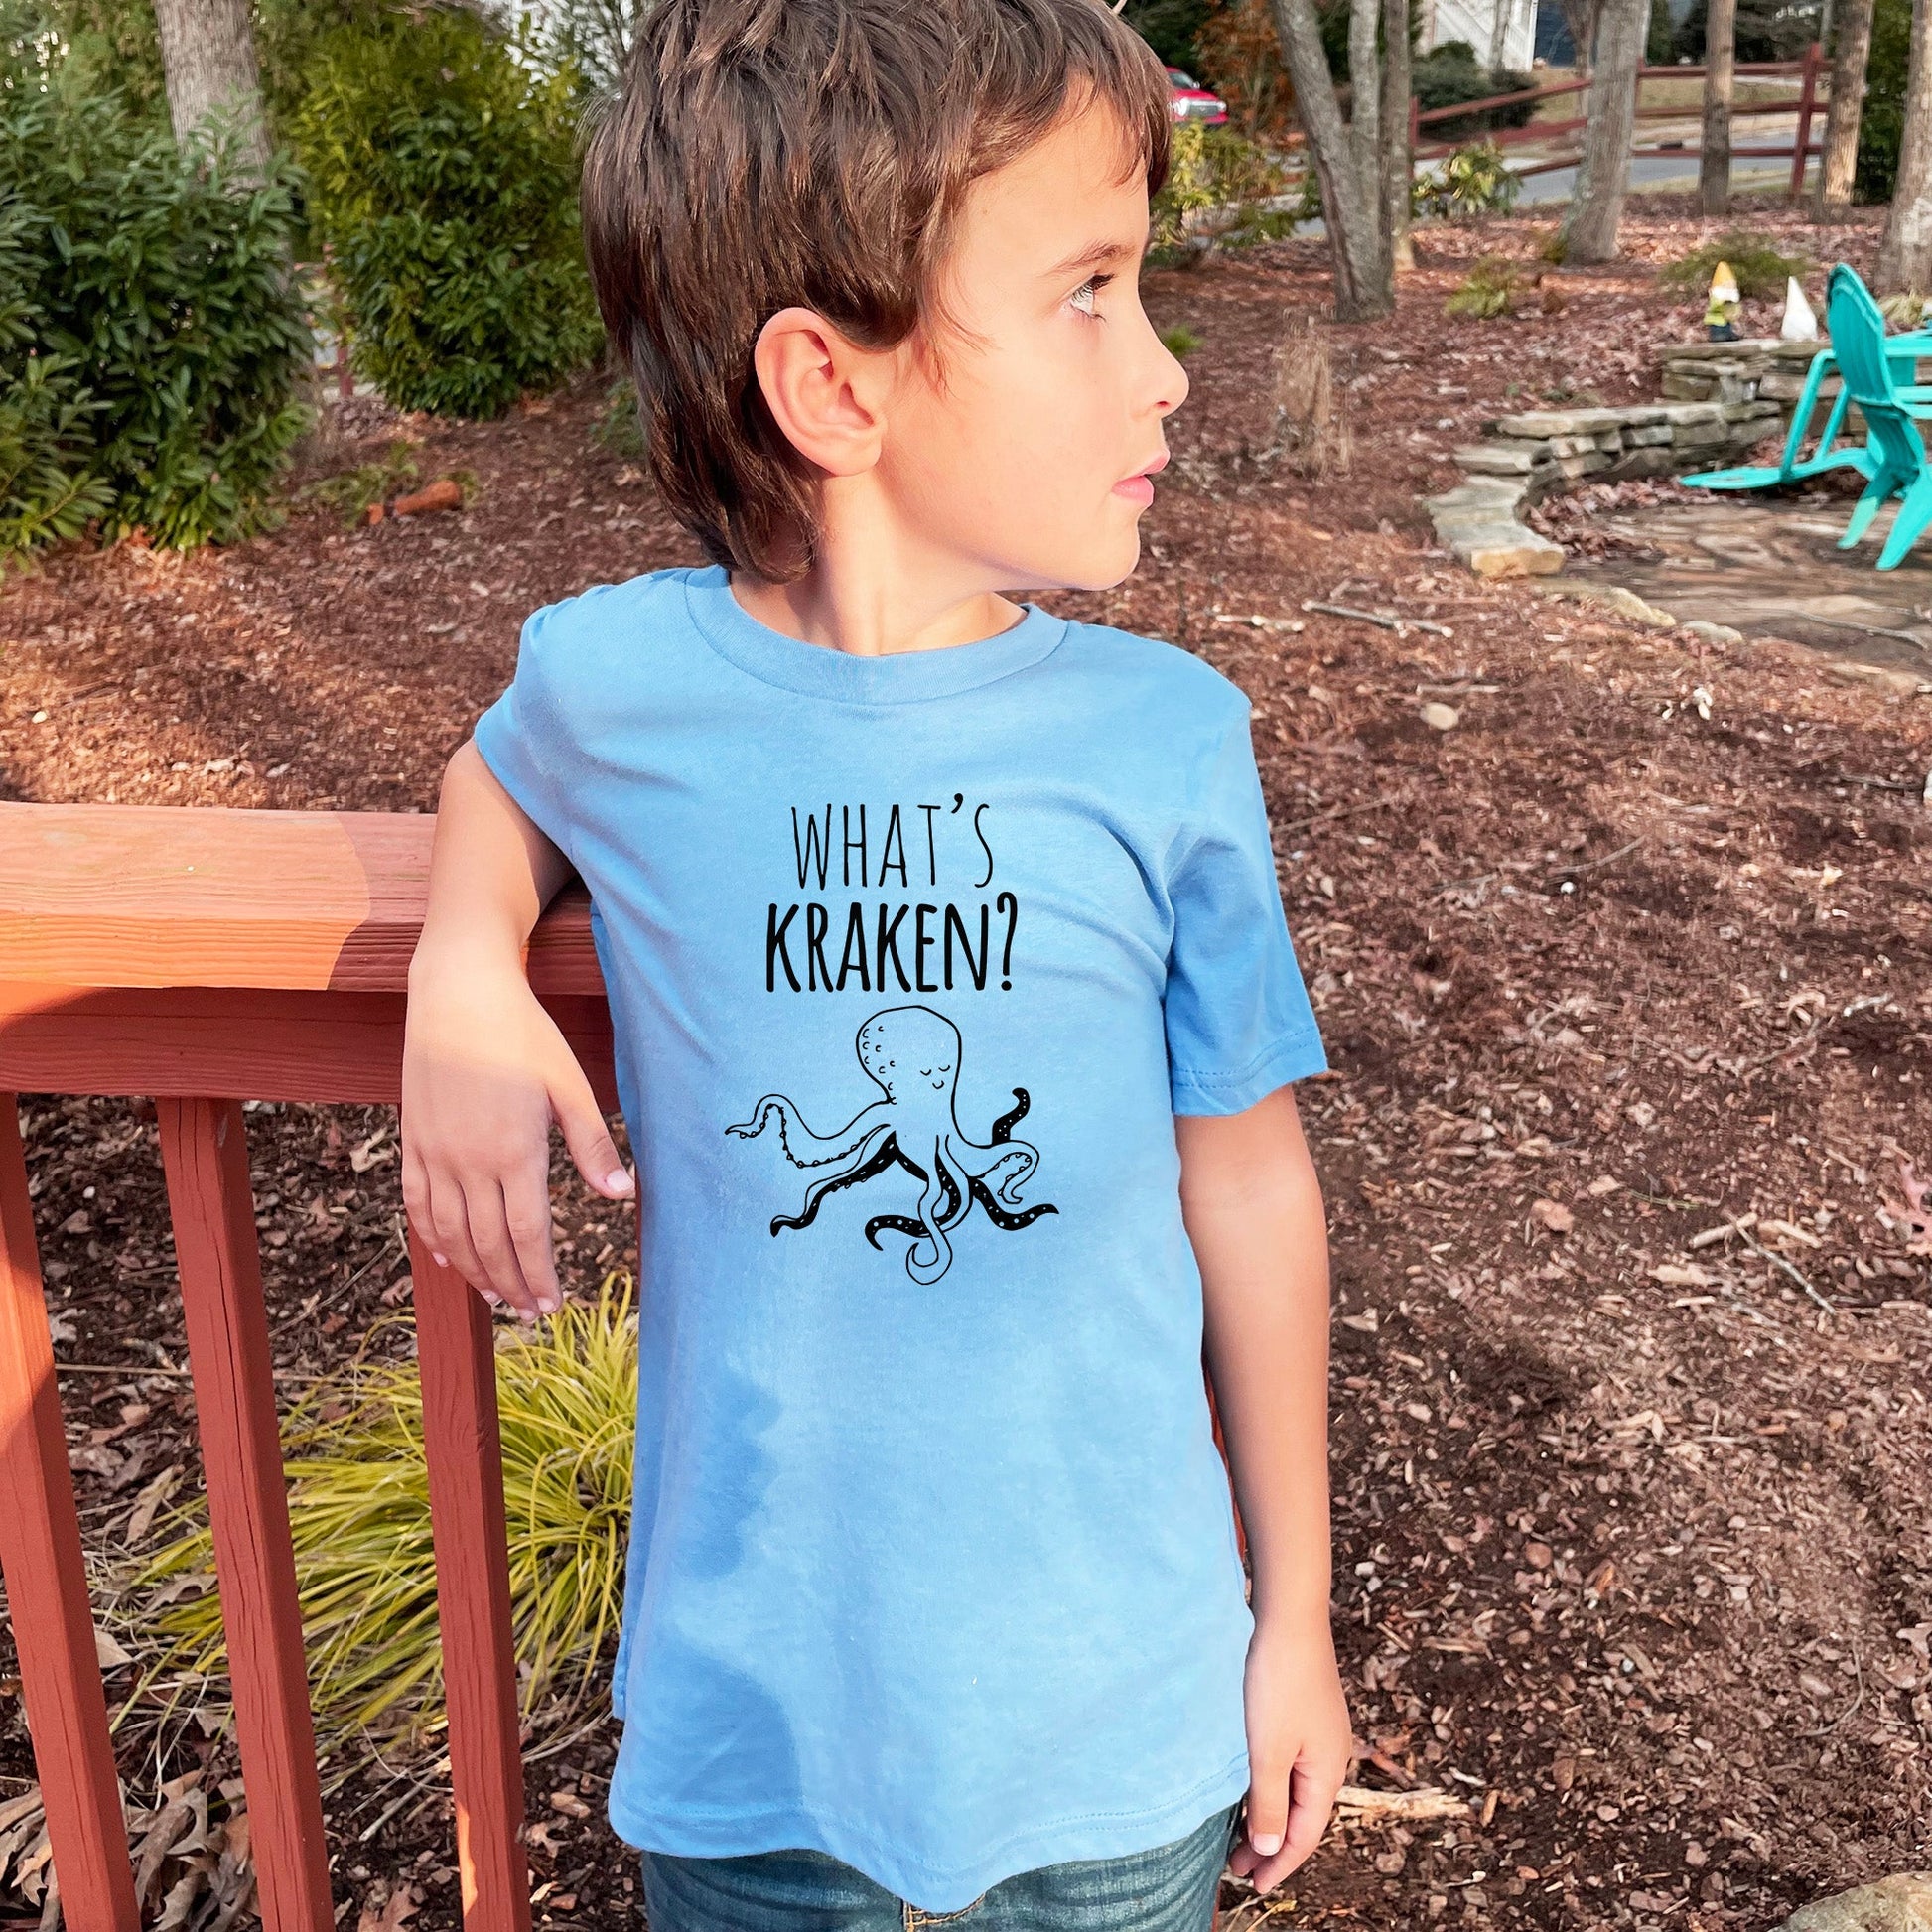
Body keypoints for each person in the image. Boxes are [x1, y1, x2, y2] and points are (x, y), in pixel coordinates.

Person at [400, 2, 1351, 1926]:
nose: (1165, 368)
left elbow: (1250, 1186)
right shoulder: (626, 684)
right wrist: (462, 973)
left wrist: (1298, 1616)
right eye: (1088, 292)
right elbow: (496, 775)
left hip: (1115, 1731)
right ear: (831, 386)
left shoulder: (1168, 739)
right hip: (754, 1734)